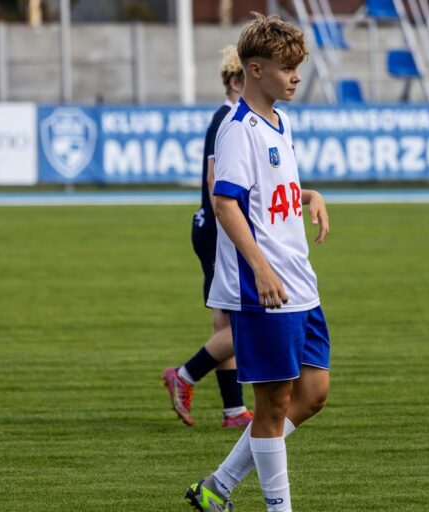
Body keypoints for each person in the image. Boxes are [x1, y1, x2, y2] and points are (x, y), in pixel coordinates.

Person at [184, 13, 331, 512]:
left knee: (313, 393)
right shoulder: (236, 129)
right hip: (265, 288)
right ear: (254, 69)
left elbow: (270, 191)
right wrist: (261, 269)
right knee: (272, 406)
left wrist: (309, 195)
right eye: (287, 68)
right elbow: (226, 203)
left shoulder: (281, 121)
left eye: (297, 68)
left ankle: (217, 486)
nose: (296, 77)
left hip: (300, 281)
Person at [162, 46, 254, 429]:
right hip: (220, 232)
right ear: (235, 82)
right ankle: (184, 374)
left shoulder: (228, 118)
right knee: (248, 323)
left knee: (225, 323)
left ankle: (233, 411)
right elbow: (217, 184)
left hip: (210, 230)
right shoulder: (228, 119)